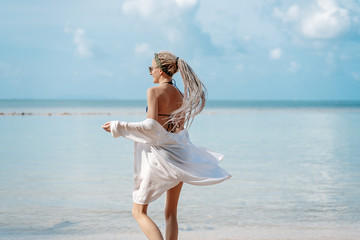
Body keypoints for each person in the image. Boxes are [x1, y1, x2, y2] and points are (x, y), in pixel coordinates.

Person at [102, 51, 231, 240]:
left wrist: (118, 126)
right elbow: (179, 128)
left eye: (151, 69)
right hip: (179, 156)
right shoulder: (180, 95)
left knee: (138, 212)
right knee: (170, 213)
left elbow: (150, 126)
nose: (150, 73)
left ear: (161, 71)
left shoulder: (153, 92)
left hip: (159, 158)